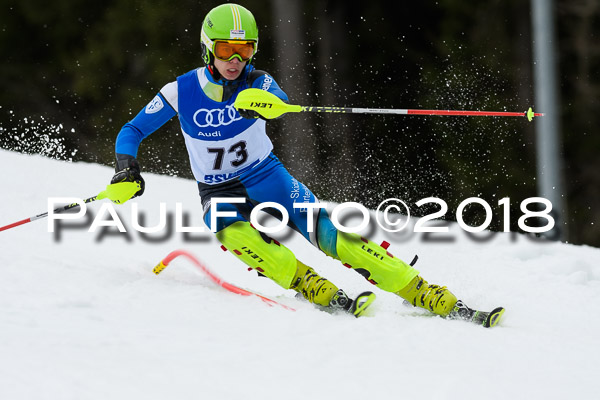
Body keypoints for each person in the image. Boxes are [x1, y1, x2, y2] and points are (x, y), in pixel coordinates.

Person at [110, 3, 502, 325]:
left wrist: (265, 105)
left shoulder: (256, 80)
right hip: (218, 190)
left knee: (332, 234)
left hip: (266, 176)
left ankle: (419, 289)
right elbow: (132, 130)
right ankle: (307, 282)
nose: (234, 59)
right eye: (225, 49)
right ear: (207, 48)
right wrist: (126, 168)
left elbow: (276, 98)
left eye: (244, 50)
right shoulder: (180, 90)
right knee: (235, 235)